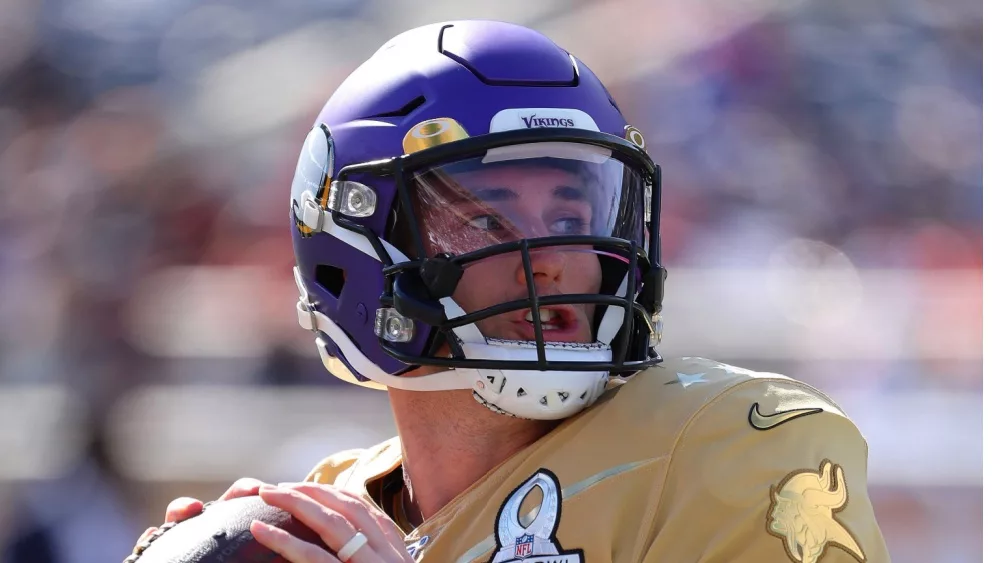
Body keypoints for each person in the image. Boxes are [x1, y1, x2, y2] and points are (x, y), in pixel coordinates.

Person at [130, 20, 890, 563]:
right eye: (485, 220)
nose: (553, 258)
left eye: (571, 216)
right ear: (356, 245)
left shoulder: (731, 442)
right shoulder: (320, 511)